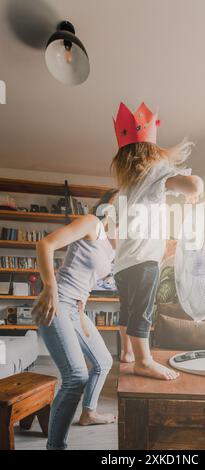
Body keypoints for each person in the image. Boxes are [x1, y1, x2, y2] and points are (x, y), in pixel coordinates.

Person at [111, 102, 203, 381]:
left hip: (122, 265)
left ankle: (127, 353)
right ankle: (143, 360)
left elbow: (115, 228)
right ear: (153, 152)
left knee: (127, 310)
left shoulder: (125, 188)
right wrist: (195, 187)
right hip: (144, 261)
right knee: (142, 311)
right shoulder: (156, 172)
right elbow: (194, 185)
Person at [32, 189, 118, 450]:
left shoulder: (112, 246)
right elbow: (44, 244)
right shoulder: (91, 223)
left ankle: (88, 412)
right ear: (106, 205)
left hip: (76, 309)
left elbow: (90, 281)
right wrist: (50, 287)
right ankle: (55, 446)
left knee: (103, 361)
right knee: (76, 377)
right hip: (56, 302)